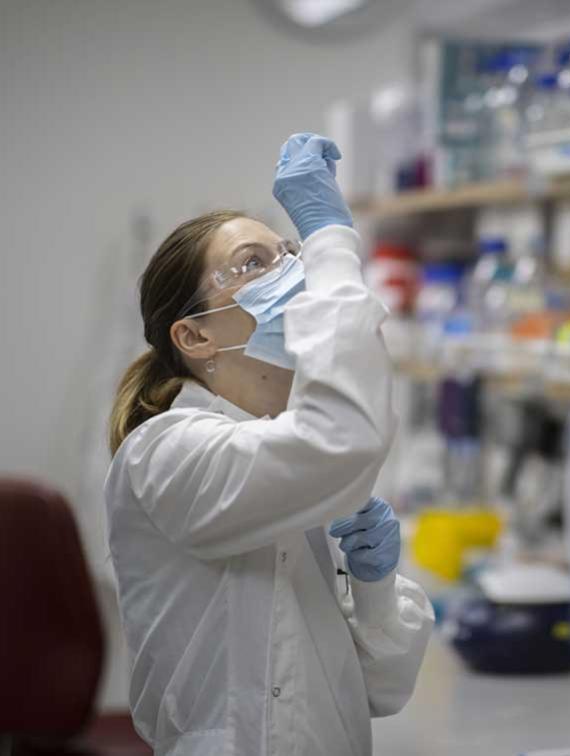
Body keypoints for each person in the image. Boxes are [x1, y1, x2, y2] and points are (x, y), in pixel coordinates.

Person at [104, 133, 433, 755]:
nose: (293, 271)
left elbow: (380, 691)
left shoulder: (286, 450)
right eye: (256, 262)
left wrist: (374, 588)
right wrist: (331, 239)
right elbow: (342, 437)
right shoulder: (168, 452)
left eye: (292, 252)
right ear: (195, 335)